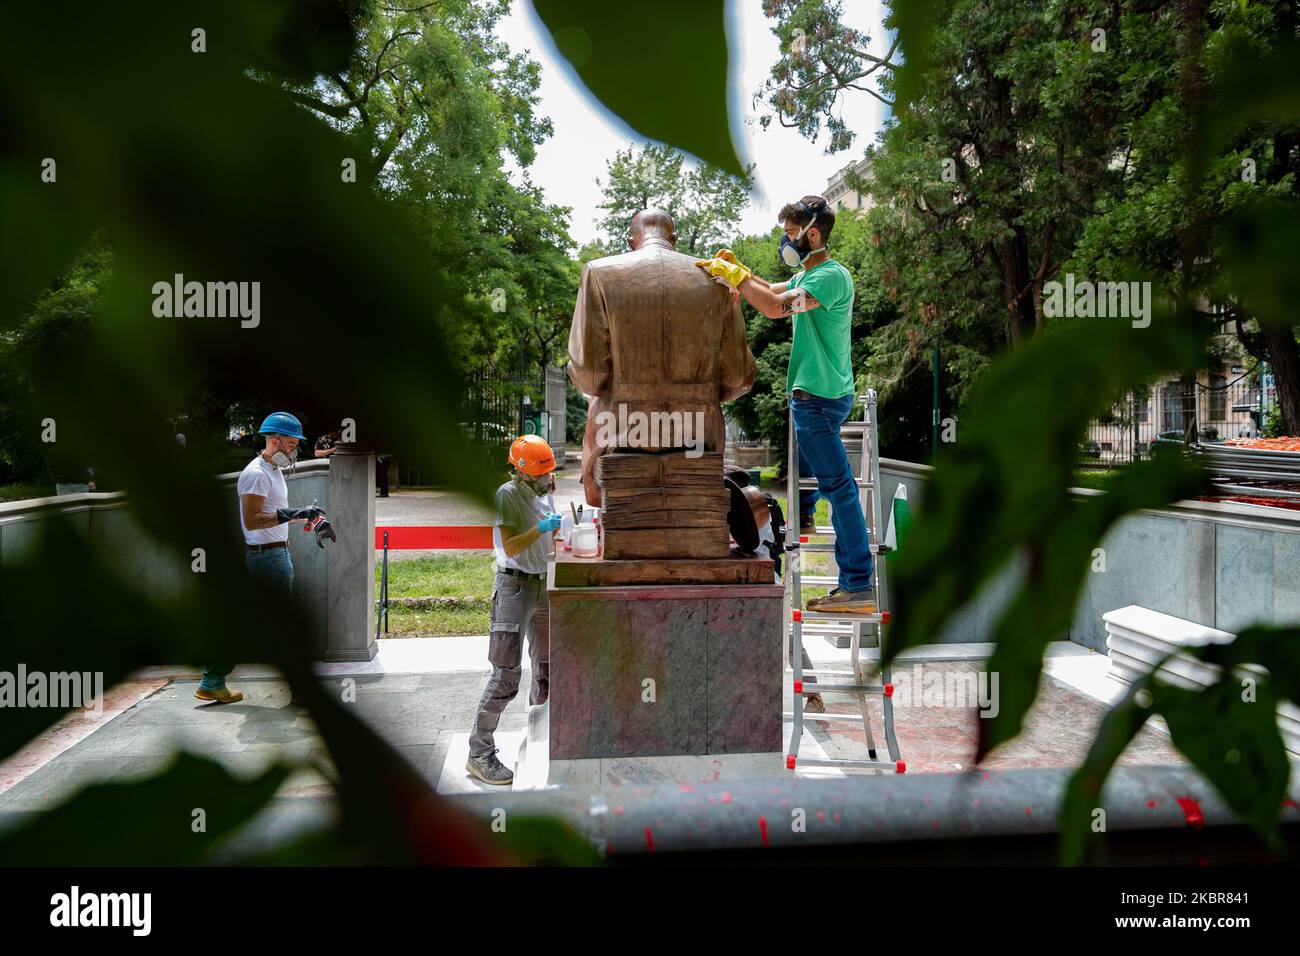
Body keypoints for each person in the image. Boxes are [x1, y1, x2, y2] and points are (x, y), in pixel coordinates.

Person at [697, 194, 874, 612]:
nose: (786, 241)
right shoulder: (806, 277)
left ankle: (858, 584)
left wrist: (738, 277)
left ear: (813, 234)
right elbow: (770, 290)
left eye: (792, 233)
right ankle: (808, 514)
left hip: (818, 399)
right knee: (820, 474)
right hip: (815, 396)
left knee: (841, 489)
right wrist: (737, 274)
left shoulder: (830, 277)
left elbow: (775, 308)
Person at [195, 411, 323, 704]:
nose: (294, 450)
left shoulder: (273, 472)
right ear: (275, 441)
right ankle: (301, 691)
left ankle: (211, 681)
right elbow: (252, 520)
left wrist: (306, 517)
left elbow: (275, 514)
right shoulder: (256, 474)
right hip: (269, 559)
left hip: (270, 555)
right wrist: (292, 513)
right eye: (291, 444)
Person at [465, 435, 561, 785]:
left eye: (548, 473)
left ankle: (541, 740)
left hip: (542, 585)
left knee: (548, 669)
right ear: (522, 473)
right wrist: (540, 528)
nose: (546, 479)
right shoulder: (506, 495)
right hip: (513, 588)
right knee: (506, 675)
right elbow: (511, 544)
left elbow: (549, 539)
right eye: (541, 474)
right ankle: (479, 754)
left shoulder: (544, 493)